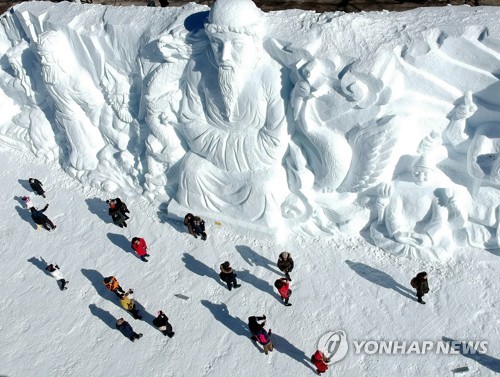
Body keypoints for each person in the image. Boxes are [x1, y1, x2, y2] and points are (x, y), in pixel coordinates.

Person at [173, 0, 289, 228]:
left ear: (254, 42)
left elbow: (274, 143)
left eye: (236, 44)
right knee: (190, 172)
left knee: (262, 187)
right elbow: (190, 120)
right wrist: (227, 152)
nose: (224, 56)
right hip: (215, 160)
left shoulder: (270, 76)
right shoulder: (199, 67)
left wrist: (224, 152)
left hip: (253, 166)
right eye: (217, 44)